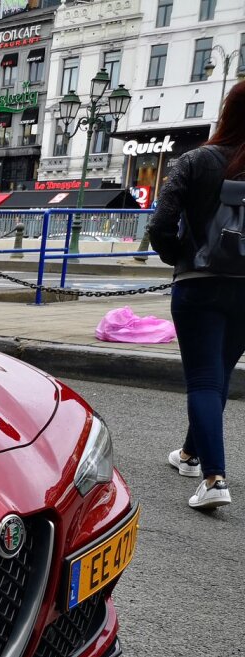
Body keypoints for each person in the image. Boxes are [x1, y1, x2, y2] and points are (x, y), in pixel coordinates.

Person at [149, 78, 245, 510]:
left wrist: (181, 258)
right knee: (218, 372)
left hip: (199, 283)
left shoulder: (196, 160)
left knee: (204, 378)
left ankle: (214, 478)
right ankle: (190, 455)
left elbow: (160, 223)